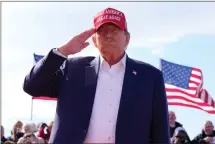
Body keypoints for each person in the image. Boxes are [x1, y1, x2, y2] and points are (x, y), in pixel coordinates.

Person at [23, 7, 170, 144]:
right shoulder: (73, 69)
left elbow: (161, 132)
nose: (108, 35)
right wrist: (63, 51)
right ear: (94, 40)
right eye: (102, 31)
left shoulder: (150, 77)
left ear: (127, 38)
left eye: (115, 30)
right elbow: (32, 86)